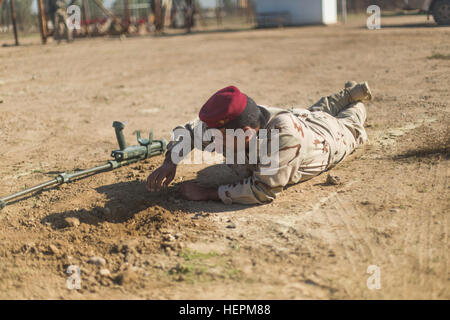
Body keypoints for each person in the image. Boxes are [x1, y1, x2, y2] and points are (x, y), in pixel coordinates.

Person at [147, 82, 372, 205]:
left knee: (350, 121)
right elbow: (187, 132)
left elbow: (263, 190)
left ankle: (355, 100)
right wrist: (171, 161)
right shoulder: (235, 123)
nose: (213, 142)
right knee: (314, 111)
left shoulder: (282, 139)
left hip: (328, 138)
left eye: (218, 137)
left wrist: (206, 193)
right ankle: (348, 92)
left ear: (245, 134)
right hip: (299, 117)